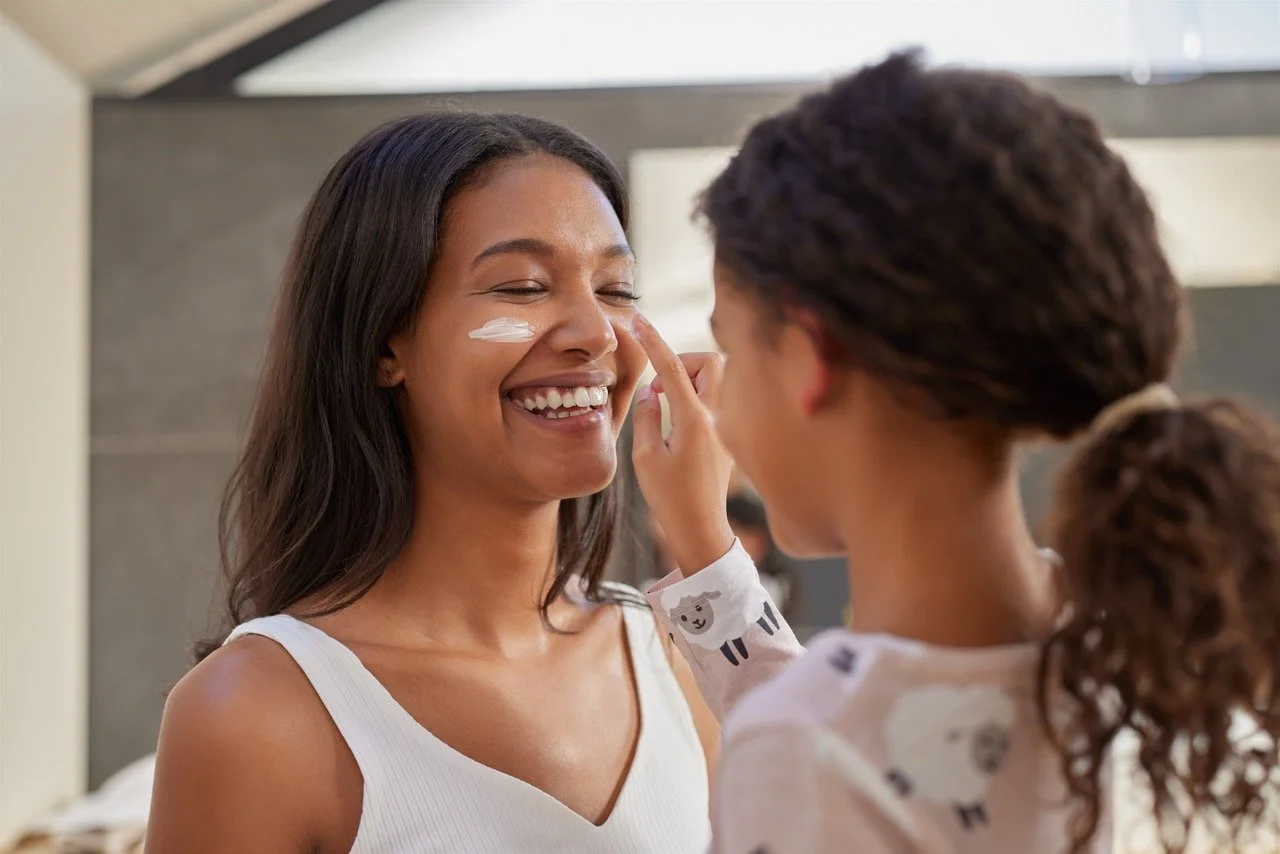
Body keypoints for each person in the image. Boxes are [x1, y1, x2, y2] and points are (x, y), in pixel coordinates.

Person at [631, 51, 1280, 854]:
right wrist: (707, 555)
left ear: (809, 356)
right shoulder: (1174, 644)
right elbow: (899, 740)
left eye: (733, 345)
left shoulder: (806, 753)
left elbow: (859, 745)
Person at [143, 113, 746, 854]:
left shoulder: (684, 661)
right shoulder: (257, 714)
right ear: (382, 344)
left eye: (616, 288)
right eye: (523, 287)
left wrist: (710, 554)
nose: (596, 331)